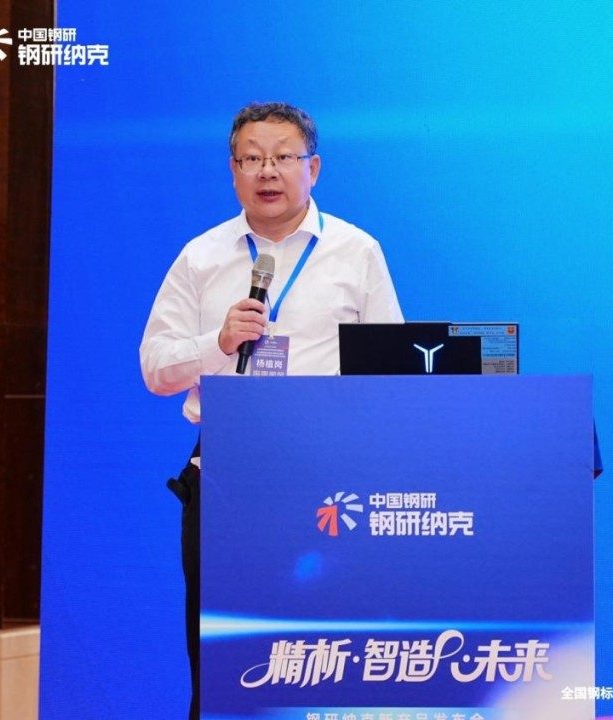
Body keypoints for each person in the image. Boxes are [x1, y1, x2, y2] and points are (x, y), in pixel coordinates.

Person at [139, 102, 403, 719]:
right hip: (229, 474)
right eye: (251, 158)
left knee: (326, 648)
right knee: (224, 658)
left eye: (283, 157)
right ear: (233, 171)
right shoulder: (201, 257)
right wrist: (218, 343)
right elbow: (155, 369)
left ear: (314, 167)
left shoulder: (357, 251)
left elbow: (391, 365)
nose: (267, 171)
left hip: (332, 480)